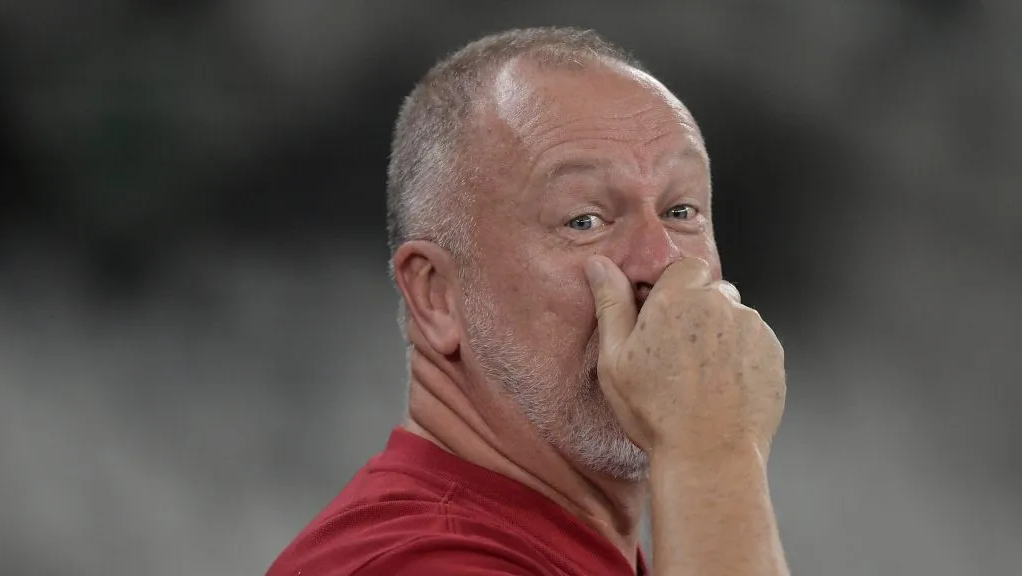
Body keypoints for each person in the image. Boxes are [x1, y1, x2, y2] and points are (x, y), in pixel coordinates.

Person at [267, 27, 789, 576]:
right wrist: (713, 451)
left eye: (681, 211)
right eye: (584, 220)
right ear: (436, 295)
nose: (661, 263)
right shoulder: (412, 563)